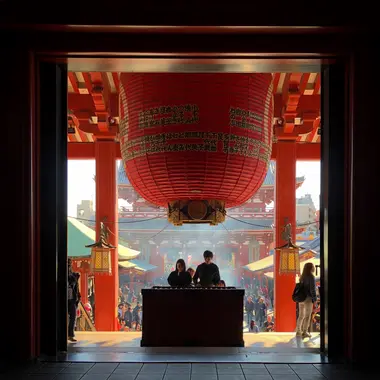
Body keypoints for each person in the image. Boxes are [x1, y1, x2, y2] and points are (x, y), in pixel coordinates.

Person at [296, 262, 317, 339]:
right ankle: (304, 332)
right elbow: (312, 290)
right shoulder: (311, 277)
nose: (314, 268)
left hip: (301, 298)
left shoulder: (302, 276)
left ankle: (298, 331)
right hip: (308, 298)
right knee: (307, 315)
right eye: (313, 266)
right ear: (311, 268)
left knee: (301, 315)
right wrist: (314, 299)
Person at [67, 259, 81, 342]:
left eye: (69, 264)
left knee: (73, 316)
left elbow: (76, 287)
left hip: (72, 298)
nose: (69, 265)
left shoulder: (73, 275)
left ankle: (70, 334)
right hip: (66, 298)